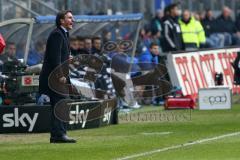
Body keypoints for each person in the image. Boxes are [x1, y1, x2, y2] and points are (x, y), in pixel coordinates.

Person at [39, 10, 76, 143]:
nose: (73, 20)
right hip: (55, 78)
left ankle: (57, 135)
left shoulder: (63, 34)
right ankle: (59, 135)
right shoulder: (57, 34)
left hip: (58, 76)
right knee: (61, 104)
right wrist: (60, 75)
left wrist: (67, 58)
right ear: (61, 20)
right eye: (70, 18)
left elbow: (59, 56)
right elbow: (55, 58)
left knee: (61, 104)